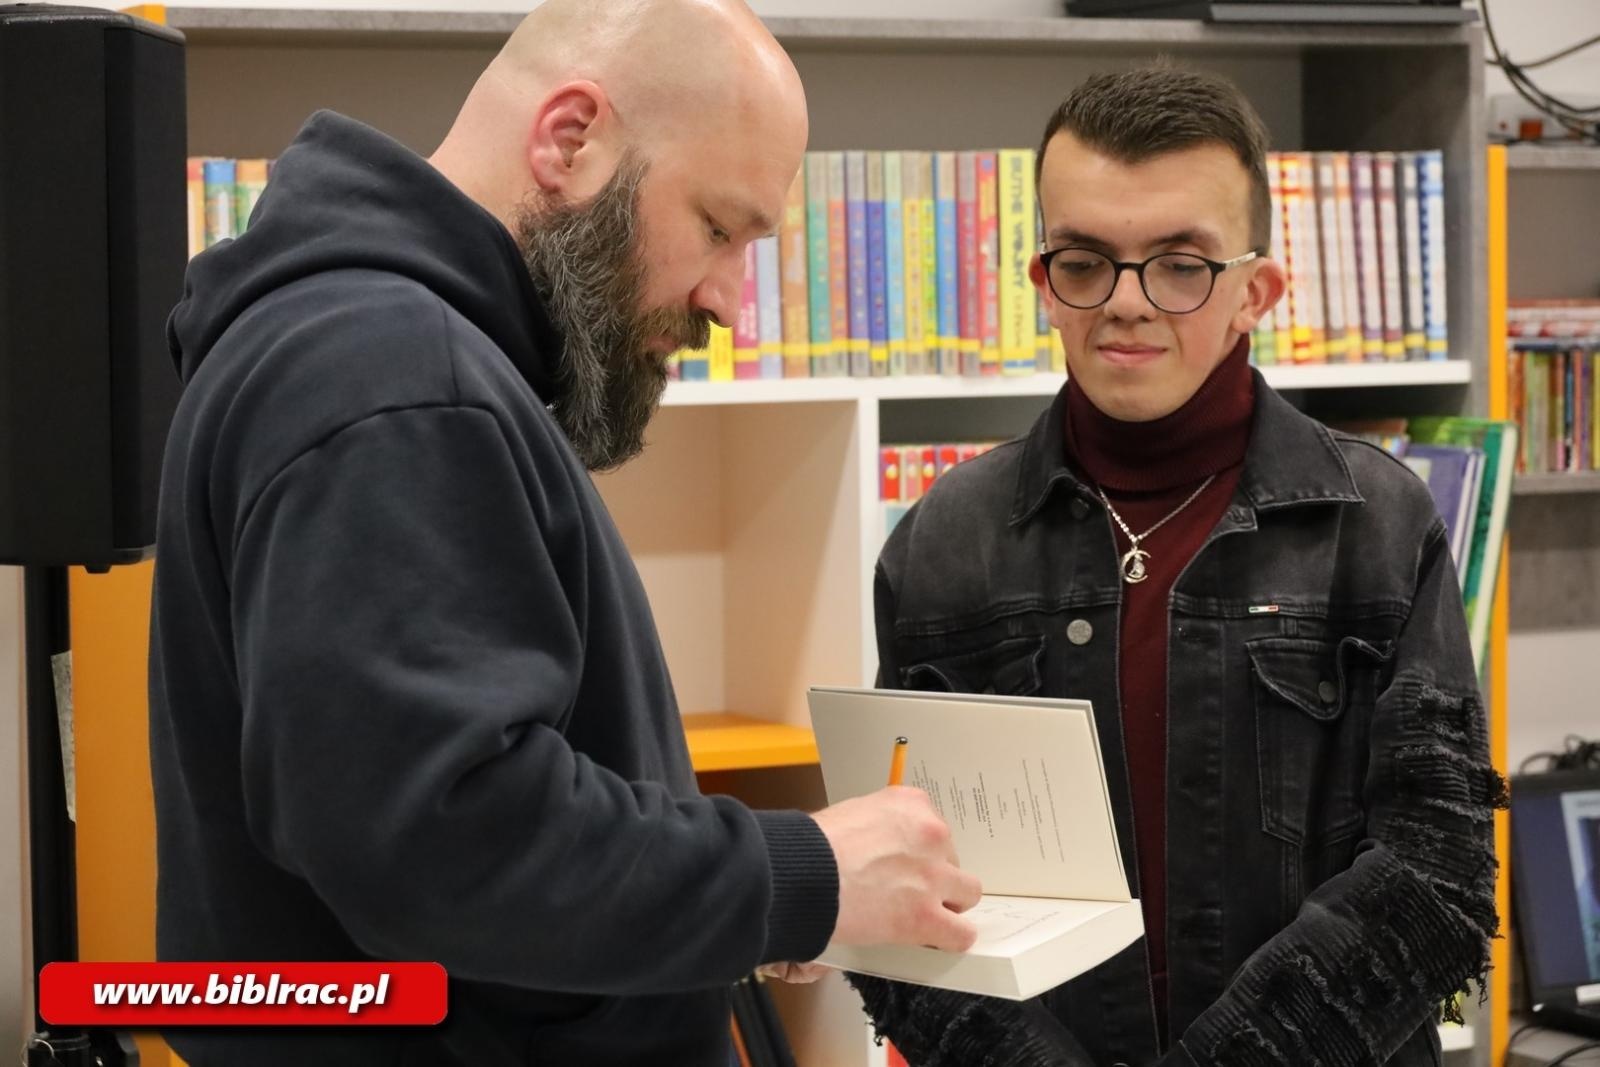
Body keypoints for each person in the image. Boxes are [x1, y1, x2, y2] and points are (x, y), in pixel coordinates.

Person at [148, 1, 981, 1064]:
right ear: (570, 138)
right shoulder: (395, 377)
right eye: (719, 228)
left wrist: (730, 906)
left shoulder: (382, 353)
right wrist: (796, 874)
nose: (727, 301)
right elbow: (444, 836)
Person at [842, 65, 1504, 1066]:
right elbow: (906, 898)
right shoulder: (944, 539)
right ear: (1042, 285)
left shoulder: (1373, 524)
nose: (1127, 303)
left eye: (1180, 263)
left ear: (1256, 292)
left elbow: (1435, 874)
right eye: (1084, 261)